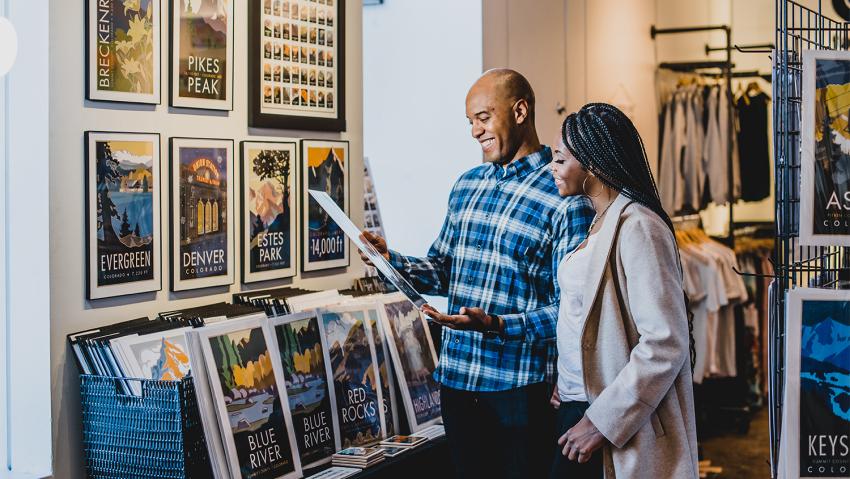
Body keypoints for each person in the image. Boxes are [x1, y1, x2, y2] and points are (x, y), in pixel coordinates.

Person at [360, 69, 594, 479]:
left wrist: (497, 325)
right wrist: (388, 259)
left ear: (520, 110)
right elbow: (440, 270)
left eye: (483, 117)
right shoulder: (465, 185)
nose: (474, 131)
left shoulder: (562, 193)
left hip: (520, 391)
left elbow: (574, 310)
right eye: (470, 121)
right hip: (457, 384)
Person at [547, 103, 699, 478]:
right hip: (578, 402)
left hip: (610, 416)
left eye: (560, 160)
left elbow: (665, 340)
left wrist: (601, 421)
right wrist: (568, 378)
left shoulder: (639, 227)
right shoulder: (599, 223)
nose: (551, 169)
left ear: (592, 164)